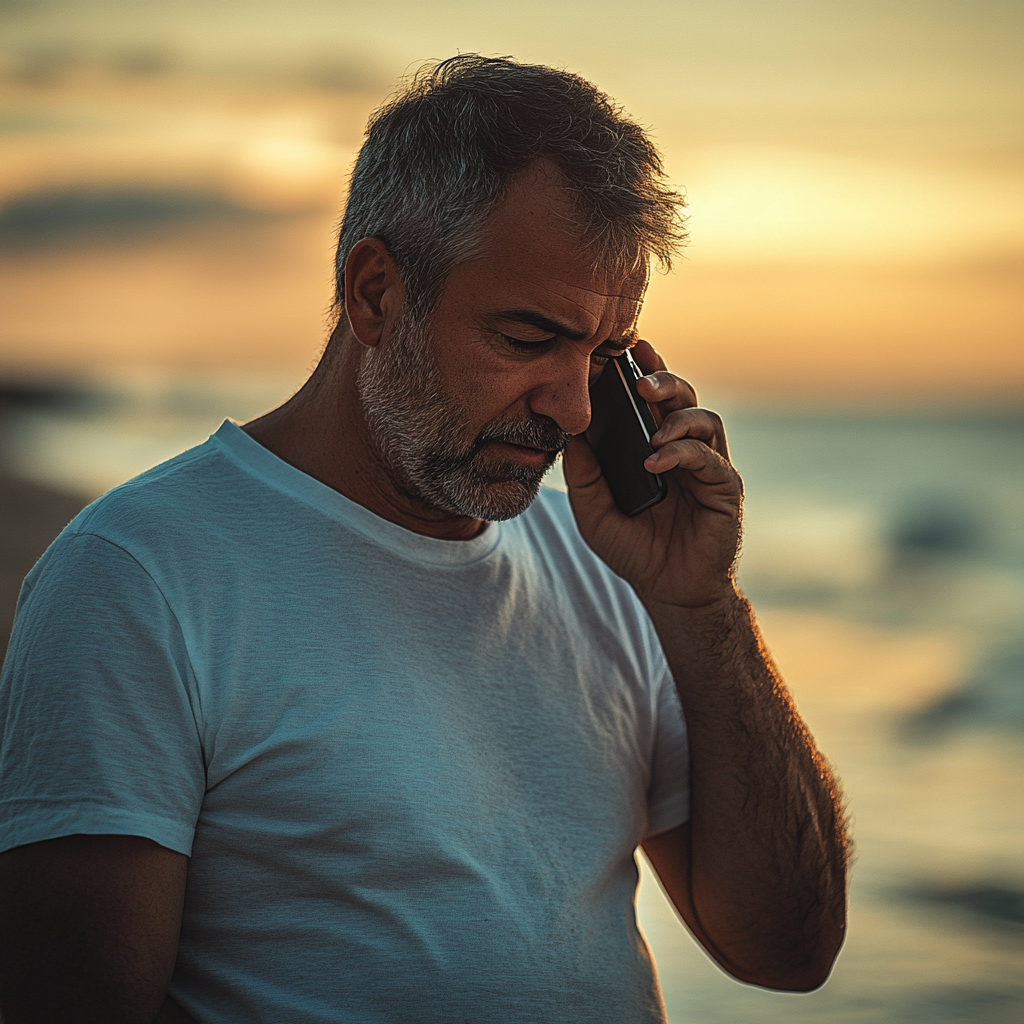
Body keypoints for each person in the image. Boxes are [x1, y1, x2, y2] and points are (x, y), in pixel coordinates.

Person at [0, 56, 848, 1023]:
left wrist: (702, 605)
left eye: (606, 355)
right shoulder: (140, 579)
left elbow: (791, 952)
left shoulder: (613, 569)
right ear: (374, 293)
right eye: (529, 340)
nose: (573, 408)